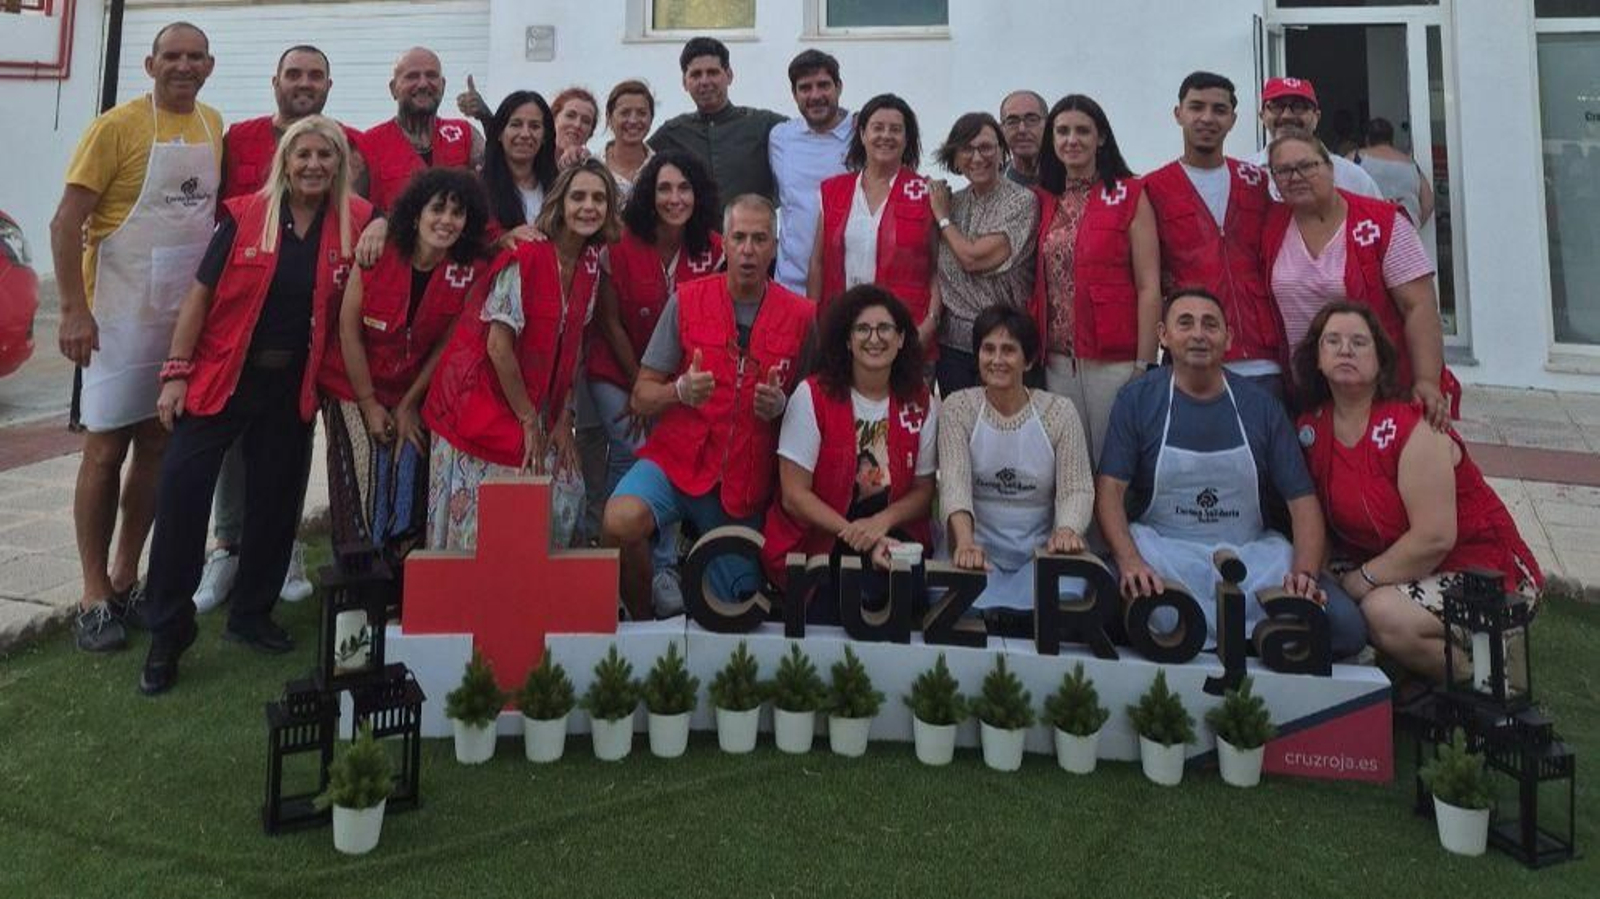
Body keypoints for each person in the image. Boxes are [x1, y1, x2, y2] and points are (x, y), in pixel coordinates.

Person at [141, 116, 373, 694]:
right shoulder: (244, 214)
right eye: (304, 155)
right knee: (180, 495)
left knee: (276, 502)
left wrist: (384, 225)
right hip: (223, 378)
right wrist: (176, 372)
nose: (314, 164)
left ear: (339, 164)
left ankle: (252, 613)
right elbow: (200, 295)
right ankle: (168, 631)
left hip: (292, 384)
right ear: (286, 162)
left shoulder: (358, 222)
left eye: (326, 155)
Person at [50, 22, 223, 653]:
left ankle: (127, 576)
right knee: (103, 451)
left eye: (194, 57)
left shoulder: (212, 125)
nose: (183, 66)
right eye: (171, 56)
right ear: (150, 64)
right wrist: (73, 309)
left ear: (210, 66)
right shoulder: (115, 128)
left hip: (176, 323)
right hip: (115, 319)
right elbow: (67, 222)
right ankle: (93, 595)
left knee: (156, 447)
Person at [194, 43, 367, 616]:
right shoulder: (237, 139)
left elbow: (364, 215)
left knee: (289, 445)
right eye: (294, 73)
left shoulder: (349, 143)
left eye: (315, 74)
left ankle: (281, 546)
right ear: (275, 81)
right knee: (230, 444)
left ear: (329, 83)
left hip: (307, 319)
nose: (304, 82)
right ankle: (227, 547)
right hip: (238, 315)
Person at [1095, 290, 1365, 656]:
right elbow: (1109, 491)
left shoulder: (1262, 407)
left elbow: (1302, 502)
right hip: (1162, 552)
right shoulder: (1138, 400)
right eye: (1185, 323)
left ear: (1229, 338)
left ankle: (1250, 662)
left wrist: (1304, 575)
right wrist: (1129, 561)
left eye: (1210, 324)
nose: (1198, 335)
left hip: (1252, 559)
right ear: (1163, 335)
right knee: (1095, 603)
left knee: (1346, 627)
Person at [1293, 302, 1542, 681]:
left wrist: (1363, 580)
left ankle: (1486, 677)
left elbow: (1435, 537)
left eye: (1359, 342)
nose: (1346, 349)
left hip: (1480, 570)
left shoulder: (1414, 426)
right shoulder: (1312, 427)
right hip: (1392, 561)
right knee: (1311, 587)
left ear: (1381, 361)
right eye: (1333, 341)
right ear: (1317, 358)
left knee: (1381, 613)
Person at [603, 195, 815, 621]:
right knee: (619, 519)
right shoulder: (686, 299)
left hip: (745, 482)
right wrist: (678, 391)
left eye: (760, 239)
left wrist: (783, 406)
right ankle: (645, 619)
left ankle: (690, 569)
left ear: (776, 245)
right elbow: (642, 395)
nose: (748, 250)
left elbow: (815, 409)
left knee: (733, 608)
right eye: (739, 238)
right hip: (677, 461)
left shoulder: (802, 315)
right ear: (724, 244)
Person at [421, 160, 619, 552]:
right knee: (507, 494)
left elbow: (574, 346)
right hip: (478, 399)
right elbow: (498, 346)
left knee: (567, 485)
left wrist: (564, 417)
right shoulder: (528, 254)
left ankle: (541, 600)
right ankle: (473, 600)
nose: (588, 207)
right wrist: (530, 418)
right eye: (578, 196)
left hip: (532, 402)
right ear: (559, 203)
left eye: (599, 198)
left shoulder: (589, 266)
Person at [318, 168, 488, 565]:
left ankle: (401, 568)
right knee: (368, 463)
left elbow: (446, 346)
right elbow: (348, 330)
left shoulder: (469, 271)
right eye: (438, 209)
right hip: (352, 384)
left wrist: (410, 404)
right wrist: (369, 403)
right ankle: (359, 568)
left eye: (457, 213)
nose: (446, 220)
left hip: (413, 389)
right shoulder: (379, 252)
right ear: (416, 214)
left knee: (410, 458)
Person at [589, 151, 723, 614]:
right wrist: (641, 390)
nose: (674, 198)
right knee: (634, 446)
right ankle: (625, 564)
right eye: (664, 188)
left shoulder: (715, 248)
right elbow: (609, 322)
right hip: (619, 371)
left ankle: (660, 565)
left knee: (670, 457)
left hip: (684, 381)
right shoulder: (621, 242)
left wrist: (669, 392)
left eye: (684, 188)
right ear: (649, 193)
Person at [762, 285, 936, 620]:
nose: (874, 338)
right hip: (822, 534)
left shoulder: (919, 399)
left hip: (889, 529)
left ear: (901, 339)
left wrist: (881, 524)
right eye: (863, 329)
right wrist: (860, 536)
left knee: (906, 604)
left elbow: (924, 491)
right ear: (847, 340)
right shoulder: (812, 395)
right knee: (832, 614)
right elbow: (794, 495)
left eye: (885, 328)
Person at [1263, 128, 1456, 426]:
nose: (1295, 176)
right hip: (1306, 389)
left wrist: (1427, 379)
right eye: (1283, 170)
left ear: (1331, 167)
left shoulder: (1383, 221)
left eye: (1307, 166)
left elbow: (1418, 305)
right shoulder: (1271, 224)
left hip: (1376, 387)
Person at [939, 306, 1092, 635]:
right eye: (988, 349)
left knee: (1064, 599)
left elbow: (1076, 487)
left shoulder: (1059, 412)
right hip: (976, 547)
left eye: (1009, 350)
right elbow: (953, 483)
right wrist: (964, 544)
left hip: (1039, 552)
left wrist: (1067, 530)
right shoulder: (958, 407)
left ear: (1030, 360)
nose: (997, 360)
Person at [1031, 95, 1161, 465]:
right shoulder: (1043, 199)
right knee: (1070, 465)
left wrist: (1144, 363)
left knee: (1114, 464)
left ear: (1101, 137)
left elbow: (1149, 284)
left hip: (1115, 359)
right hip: (1057, 359)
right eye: (1063, 131)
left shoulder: (1129, 193)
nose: (1072, 140)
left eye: (1083, 131)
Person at [1144, 72, 1284, 398]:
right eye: (1196, 107)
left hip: (1263, 357)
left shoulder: (1257, 181)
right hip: (1190, 355)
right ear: (1178, 113)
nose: (1207, 118)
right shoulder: (1153, 188)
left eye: (1219, 110)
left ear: (1233, 119)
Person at [807, 93, 940, 353]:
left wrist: (930, 323)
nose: (886, 136)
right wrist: (813, 320)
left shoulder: (925, 192)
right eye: (878, 128)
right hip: (842, 329)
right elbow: (818, 262)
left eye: (896, 129)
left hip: (906, 332)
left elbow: (938, 269)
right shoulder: (833, 191)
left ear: (907, 138)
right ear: (862, 134)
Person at [928, 112, 1038, 394]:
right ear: (954, 157)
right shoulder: (955, 201)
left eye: (986, 147)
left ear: (1002, 151)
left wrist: (942, 218)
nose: (977, 157)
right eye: (967, 149)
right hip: (954, 346)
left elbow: (973, 259)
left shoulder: (1021, 201)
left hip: (1005, 342)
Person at [648, 36, 786, 204]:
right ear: (685, 82)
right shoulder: (672, 133)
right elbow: (634, 165)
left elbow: (811, 137)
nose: (704, 81)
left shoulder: (764, 125)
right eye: (696, 75)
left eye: (712, 73)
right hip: (696, 231)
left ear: (729, 75)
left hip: (752, 229)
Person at [358, 46, 482, 215]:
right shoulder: (368, 144)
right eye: (412, 76)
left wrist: (487, 119)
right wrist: (377, 221)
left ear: (443, 85)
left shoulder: (464, 133)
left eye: (431, 75)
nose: (423, 84)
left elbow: (501, 175)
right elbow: (352, 210)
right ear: (393, 89)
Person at [769, 49, 853, 294]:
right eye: (805, 88)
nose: (815, 95)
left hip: (848, 285)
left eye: (823, 85)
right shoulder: (780, 137)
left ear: (839, 87)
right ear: (794, 94)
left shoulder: (862, 135)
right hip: (789, 285)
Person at [1251, 77, 1381, 201]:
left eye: (1299, 107)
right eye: (1277, 106)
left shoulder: (1351, 177)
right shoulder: (1247, 173)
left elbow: (1382, 220)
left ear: (1316, 117)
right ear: (1262, 115)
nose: (1287, 115)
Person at [480, 90, 558, 251]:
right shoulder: (478, 188)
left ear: (544, 136)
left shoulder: (559, 188)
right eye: (516, 124)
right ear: (500, 133)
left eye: (535, 126)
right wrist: (502, 240)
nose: (525, 134)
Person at [1354, 117, 1435, 227]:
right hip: (1404, 227)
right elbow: (1428, 202)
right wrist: (1416, 224)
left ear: (1367, 139)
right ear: (1391, 139)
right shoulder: (1411, 164)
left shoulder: (1356, 159)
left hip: (1370, 228)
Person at [601, 80, 656, 201]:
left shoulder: (661, 167)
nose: (633, 120)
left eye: (642, 113)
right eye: (625, 113)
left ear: (651, 118)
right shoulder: (593, 165)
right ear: (609, 118)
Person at [998, 90, 1048, 187]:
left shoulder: (1072, 179)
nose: (1022, 129)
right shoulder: (990, 189)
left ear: (1048, 125)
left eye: (1032, 120)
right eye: (1012, 122)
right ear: (1001, 130)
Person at [551, 86, 600, 169]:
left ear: (591, 132)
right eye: (570, 116)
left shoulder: (593, 170)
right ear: (554, 118)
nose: (577, 125)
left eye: (586, 121)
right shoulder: (531, 159)